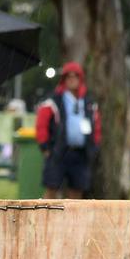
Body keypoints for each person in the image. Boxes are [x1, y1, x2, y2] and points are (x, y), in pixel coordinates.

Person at [36, 61, 102, 199]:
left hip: (81, 154)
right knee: (51, 190)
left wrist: (94, 147)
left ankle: (72, 221)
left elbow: (96, 126)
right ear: (64, 79)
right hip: (59, 152)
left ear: (80, 79)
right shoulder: (54, 100)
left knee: (77, 193)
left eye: (75, 76)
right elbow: (41, 124)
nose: (72, 79)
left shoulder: (88, 103)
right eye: (68, 76)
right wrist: (45, 147)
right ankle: (46, 219)